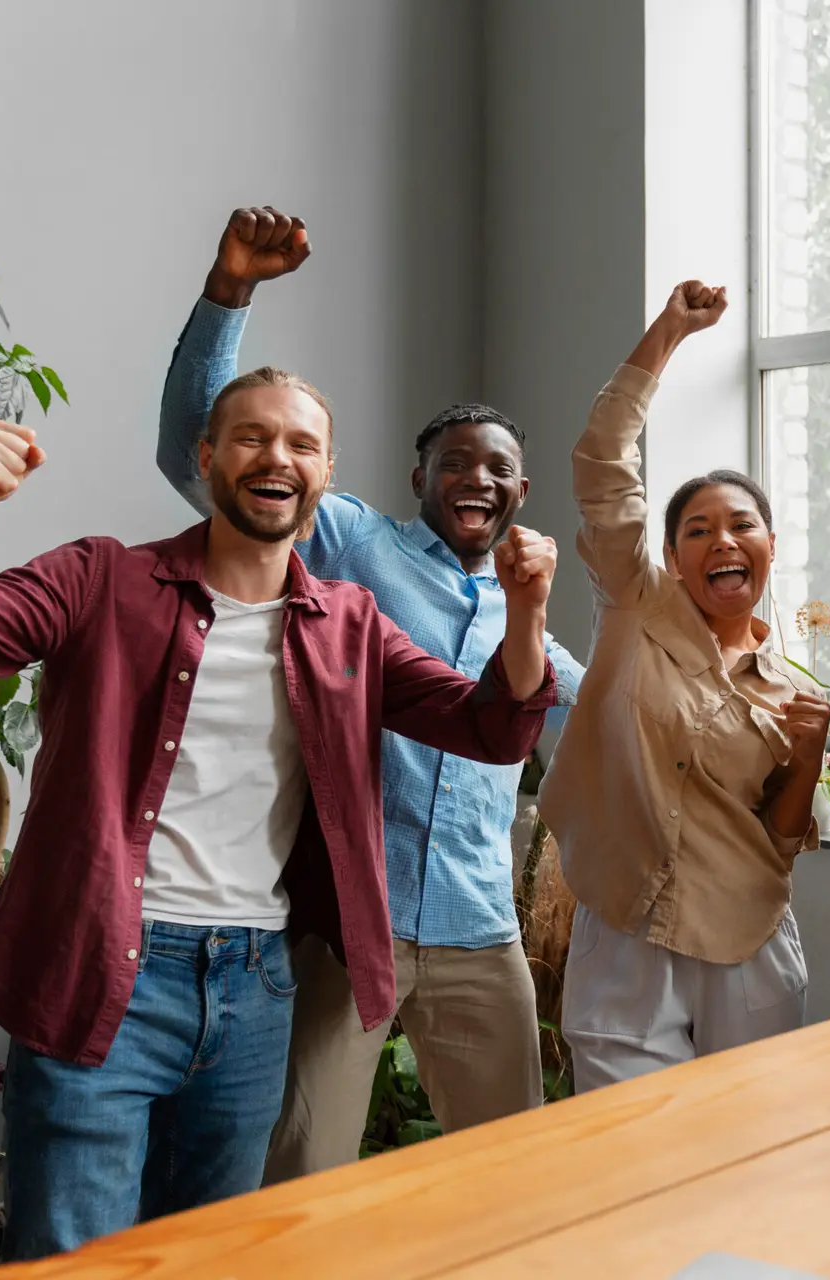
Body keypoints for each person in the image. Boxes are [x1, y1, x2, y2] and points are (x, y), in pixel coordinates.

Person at [0, 377, 558, 1259]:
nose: (275, 458)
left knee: (211, 1257)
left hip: (255, 987)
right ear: (209, 458)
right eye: (250, 438)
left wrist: (525, 614)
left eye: (300, 444)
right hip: (104, 971)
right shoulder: (101, 577)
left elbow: (490, 724)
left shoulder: (349, 624)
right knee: (76, 1258)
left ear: (326, 472)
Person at [154, 207, 585, 1179]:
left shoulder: (532, 616)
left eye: (499, 467)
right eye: (456, 460)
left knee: (515, 1175)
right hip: (355, 926)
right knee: (302, 1172)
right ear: (415, 475)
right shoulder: (353, 542)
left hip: (483, 935)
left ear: (520, 492)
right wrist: (232, 291)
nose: (478, 476)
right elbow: (196, 444)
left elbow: (623, 725)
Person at [541, 280, 829, 1090]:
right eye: (697, 530)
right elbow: (601, 462)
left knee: (745, 1161)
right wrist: (668, 332)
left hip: (749, 942)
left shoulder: (788, 690)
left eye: (741, 524)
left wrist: (809, 756)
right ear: (669, 555)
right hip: (624, 936)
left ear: (770, 544)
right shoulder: (638, 608)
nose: (722, 540)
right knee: (631, 1157)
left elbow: (779, 839)